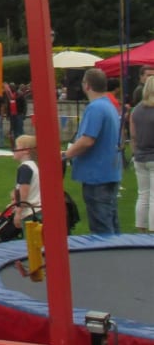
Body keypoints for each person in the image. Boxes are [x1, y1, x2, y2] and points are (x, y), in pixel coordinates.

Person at [63, 67, 122, 234]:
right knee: (111, 221)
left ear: (87, 85)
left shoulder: (95, 108)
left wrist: (66, 155)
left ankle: (106, 258)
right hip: (109, 171)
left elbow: (87, 140)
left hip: (96, 175)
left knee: (101, 226)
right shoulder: (109, 105)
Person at [0, 134, 42, 240]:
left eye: (17, 148)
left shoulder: (25, 168)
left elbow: (24, 193)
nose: (14, 150)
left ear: (26, 151)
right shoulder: (33, 166)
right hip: (35, 210)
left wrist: (18, 213)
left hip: (29, 213)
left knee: (31, 244)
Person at [130, 75, 154, 232]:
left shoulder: (136, 110)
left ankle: (141, 228)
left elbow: (133, 136)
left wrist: (135, 153)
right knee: (153, 198)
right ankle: (153, 230)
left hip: (140, 156)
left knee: (143, 195)